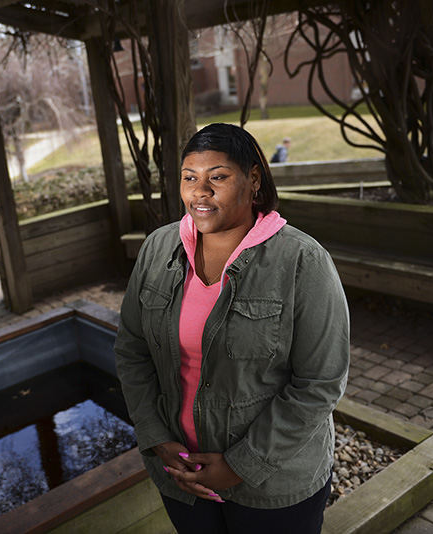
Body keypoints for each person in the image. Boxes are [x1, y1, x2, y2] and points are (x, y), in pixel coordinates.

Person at [114, 123, 349, 534]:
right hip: (180, 476)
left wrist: (240, 465)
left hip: (273, 487)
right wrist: (155, 437)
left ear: (253, 179)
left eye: (217, 177)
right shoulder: (157, 248)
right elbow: (132, 350)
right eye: (190, 178)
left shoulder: (302, 261)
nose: (199, 192)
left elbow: (320, 381)